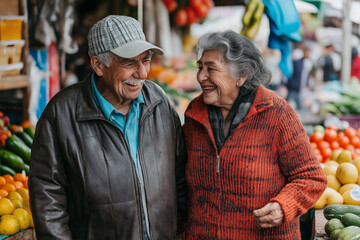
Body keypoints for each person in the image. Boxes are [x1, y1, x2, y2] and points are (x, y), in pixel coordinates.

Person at [28, 15, 187, 240]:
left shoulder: (159, 102)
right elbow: (47, 197)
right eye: (129, 62)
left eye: (146, 60)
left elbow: (180, 176)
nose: (142, 73)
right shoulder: (61, 113)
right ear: (98, 65)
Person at [182, 30, 327, 239]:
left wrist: (282, 206)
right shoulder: (194, 114)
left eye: (211, 69)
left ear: (242, 75)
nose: (200, 76)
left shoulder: (276, 113)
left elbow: (311, 177)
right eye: (200, 67)